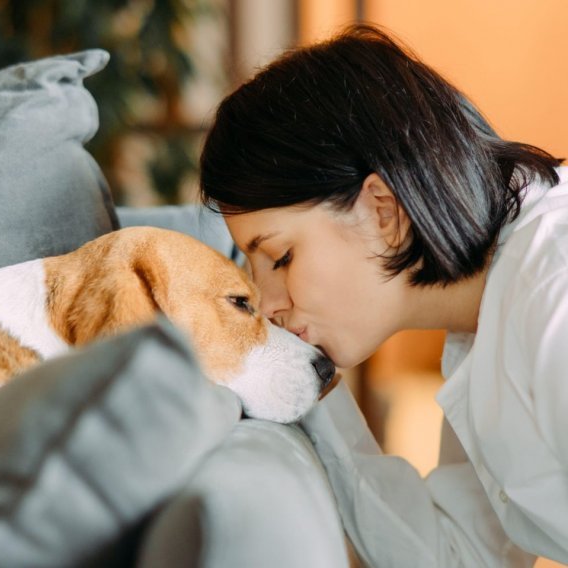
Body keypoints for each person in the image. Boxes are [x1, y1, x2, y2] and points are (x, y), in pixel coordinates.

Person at [199, 24, 567, 567]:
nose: (269, 305)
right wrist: (299, 379)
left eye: (280, 258)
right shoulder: (480, 317)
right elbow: (459, 556)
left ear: (383, 211)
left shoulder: (551, 291)